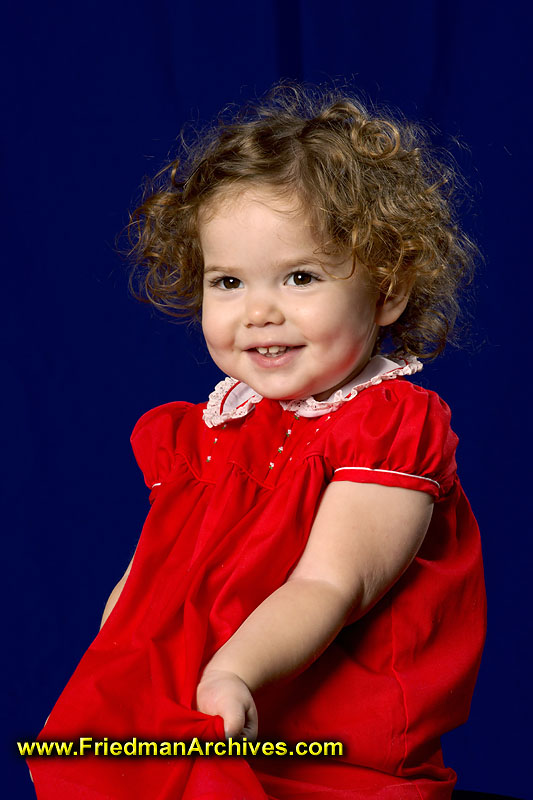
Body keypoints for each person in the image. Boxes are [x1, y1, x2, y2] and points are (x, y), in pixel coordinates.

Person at [28, 84, 486, 799]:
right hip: (208, 710)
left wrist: (235, 670)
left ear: (387, 290)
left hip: (324, 740)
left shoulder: (387, 425)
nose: (259, 312)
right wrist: (117, 653)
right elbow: (152, 575)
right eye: (229, 281)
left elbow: (331, 582)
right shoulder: (212, 431)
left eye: (300, 277)